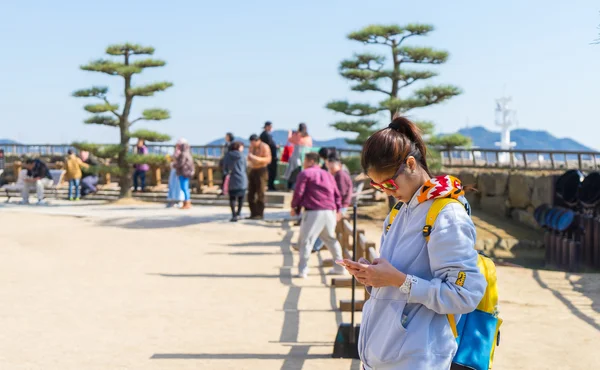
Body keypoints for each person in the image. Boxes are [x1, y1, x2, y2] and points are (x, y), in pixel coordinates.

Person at [338, 115, 486, 370]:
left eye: (390, 183)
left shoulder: (446, 215)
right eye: (377, 185)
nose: (386, 190)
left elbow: (464, 295)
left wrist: (398, 280)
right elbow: (399, 280)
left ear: (411, 164)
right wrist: (373, 276)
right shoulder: (400, 211)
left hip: (419, 358)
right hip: (383, 355)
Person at [291, 152, 346, 279]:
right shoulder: (328, 174)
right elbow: (336, 193)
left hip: (314, 211)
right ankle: (339, 267)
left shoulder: (305, 173)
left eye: (305, 160)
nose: (304, 163)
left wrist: (295, 207)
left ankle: (303, 270)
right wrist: (338, 210)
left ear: (310, 161)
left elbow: (299, 192)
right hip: (329, 211)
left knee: (307, 241)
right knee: (331, 240)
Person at [247, 134, 272, 220]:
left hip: (261, 169)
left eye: (254, 142)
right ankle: (253, 213)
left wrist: (257, 159)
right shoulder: (251, 147)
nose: (253, 144)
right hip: (253, 169)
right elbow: (248, 157)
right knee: (251, 192)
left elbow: (268, 159)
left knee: (260, 192)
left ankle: (260, 213)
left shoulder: (264, 147)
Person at [223, 141, 248, 222]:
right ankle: (239, 213)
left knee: (232, 198)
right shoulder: (242, 156)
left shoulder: (227, 155)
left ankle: (233, 215)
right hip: (242, 178)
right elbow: (245, 166)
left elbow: (224, 168)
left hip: (232, 178)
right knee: (241, 197)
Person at [283, 123, 312, 190]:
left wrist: (290, 133)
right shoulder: (308, 137)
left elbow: (290, 140)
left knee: (292, 172)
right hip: (305, 157)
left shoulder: (297, 135)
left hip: (296, 155)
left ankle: (290, 187)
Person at [173, 138, 195, 210]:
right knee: (185, 188)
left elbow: (181, 163)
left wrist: (174, 165)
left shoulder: (183, 154)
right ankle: (186, 202)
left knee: (184, 188)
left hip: (183, 172)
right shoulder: (188, 153)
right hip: (187, 172)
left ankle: (187, 202)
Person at [260, 121, 279, 191]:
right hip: (270, 156)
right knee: (271, 171)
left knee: (272, 172)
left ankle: (271, 185)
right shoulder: (265, 135)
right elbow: (270, 145)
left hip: (271, 156)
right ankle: (270, 185)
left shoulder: (266, 134)